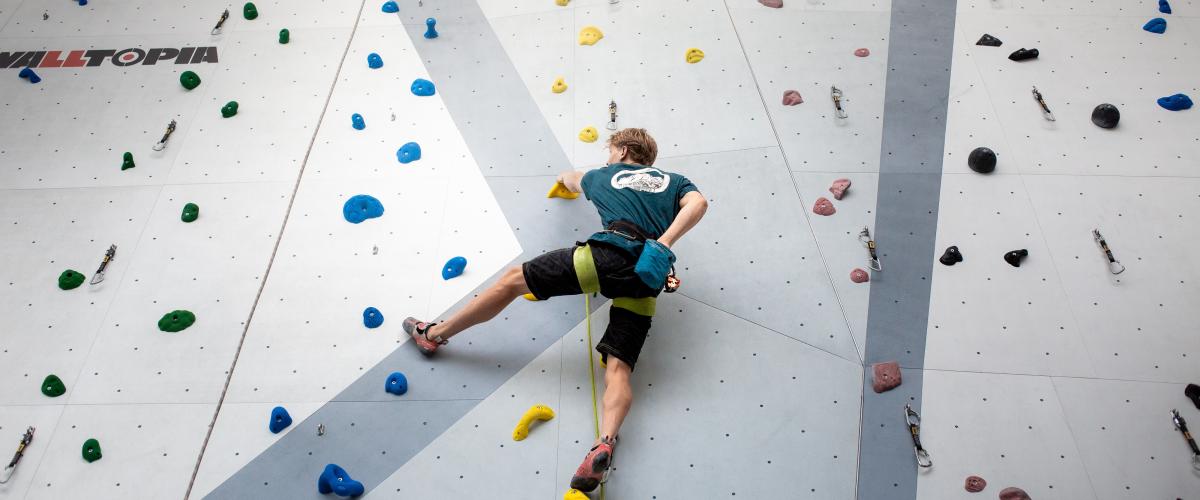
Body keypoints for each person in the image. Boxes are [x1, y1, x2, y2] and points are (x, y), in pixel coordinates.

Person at [403, 128, 708, 492]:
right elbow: (699, 204)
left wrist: (564, 181)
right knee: (619, 368)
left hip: (605, 257)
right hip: (647, 275)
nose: (608, 156)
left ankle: (433, 334)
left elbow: (571, 179)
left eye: (611, 150)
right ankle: (605, 441)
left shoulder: (602, 176)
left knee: (512, 281)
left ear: (624, 150)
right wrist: (663, 244)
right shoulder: (676, 182)